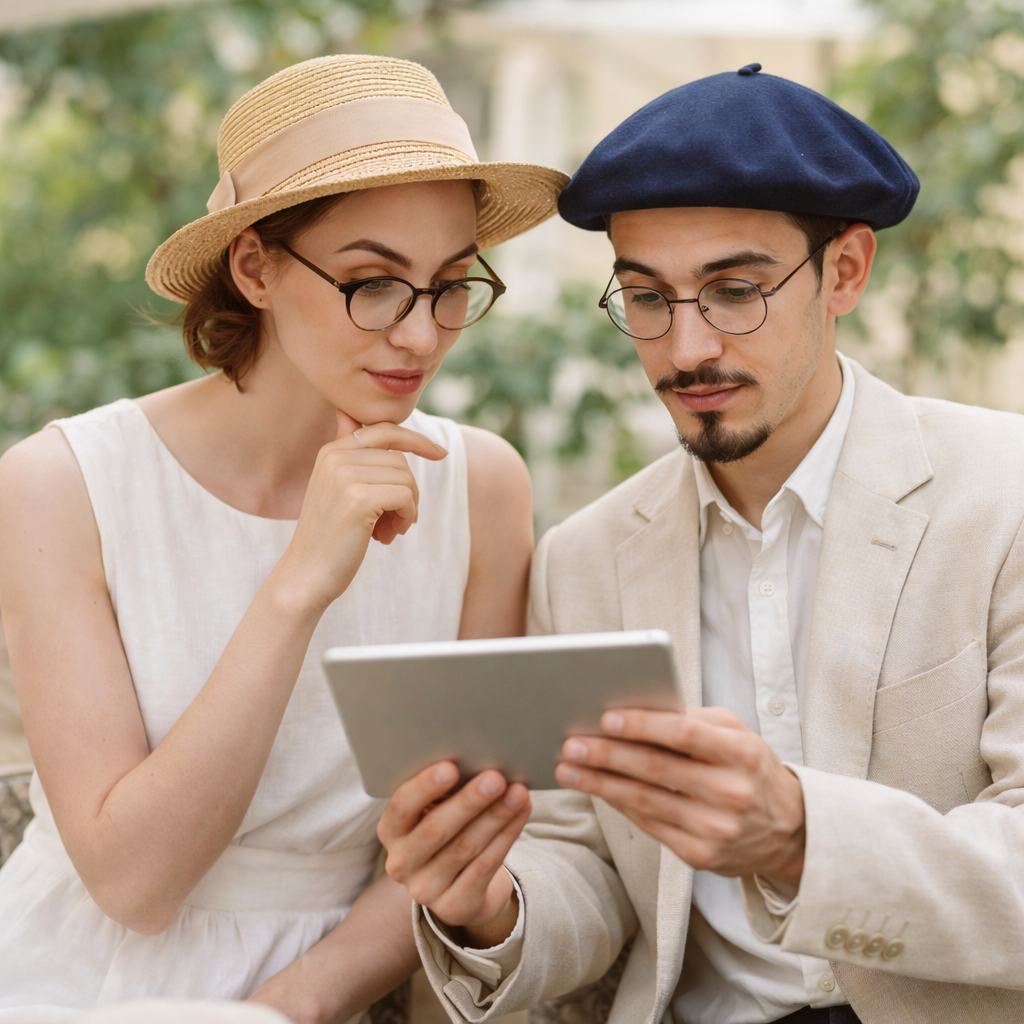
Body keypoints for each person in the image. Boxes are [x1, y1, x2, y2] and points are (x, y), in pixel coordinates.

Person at [375, 67, 1024, 1022]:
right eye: (647, 299)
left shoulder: (1003, 494)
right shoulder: (584, 558)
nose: (685, 351)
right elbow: (592, 871)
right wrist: (491, 908)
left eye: (734, 291)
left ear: (845, 269)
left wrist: (799, 836)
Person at [0, 53, 567, 1021]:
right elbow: (135, 884)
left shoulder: (481, 483)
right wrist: (301, 580)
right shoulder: (63, 484)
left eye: (448, 286)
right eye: (371, 282)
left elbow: (456, 832)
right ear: (255, 267)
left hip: (338, 987)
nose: (420, 335)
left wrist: (289, 1007)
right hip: (83, 982)